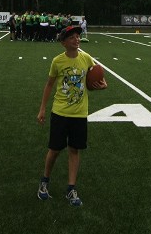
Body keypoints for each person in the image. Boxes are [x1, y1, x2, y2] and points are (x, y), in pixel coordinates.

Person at [36, 24, 107, 206]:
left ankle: (71, 188)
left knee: (74, 150)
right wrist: (43, 108)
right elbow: (49, 85)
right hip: (60, 112)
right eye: (72, 37)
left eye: (77, 36)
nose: (76, 39)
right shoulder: (57, 61)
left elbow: (98, 75)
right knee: (55, 149)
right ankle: (44, 181)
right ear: (63, 43)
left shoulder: (86, 58)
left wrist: (102, 84)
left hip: (80, 113)